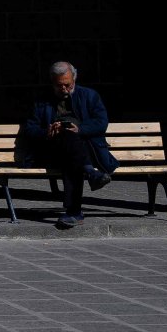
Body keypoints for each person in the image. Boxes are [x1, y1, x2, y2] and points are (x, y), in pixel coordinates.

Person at [18, 61, 118, 228]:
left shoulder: (89, 96)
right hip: (51, 152)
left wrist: (79, 129)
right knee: (68, 143)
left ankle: (74, 212)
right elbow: (30, 128)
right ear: (52, 82)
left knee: (71, 149)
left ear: (74, 79)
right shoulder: (41, 100)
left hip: (86, 151)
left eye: (67, 85)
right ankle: (90, 175)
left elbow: (101, 123)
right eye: (59, 86)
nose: (64, 89)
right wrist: (47, 132)